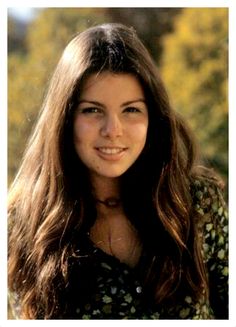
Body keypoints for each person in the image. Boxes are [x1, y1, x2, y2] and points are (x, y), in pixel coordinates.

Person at [8, 23, 228, 319]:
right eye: (92, 110)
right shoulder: (22, 223)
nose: (113, 130)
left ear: (153, 117)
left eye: (131, 110)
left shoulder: (199, 202)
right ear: (65, 119)